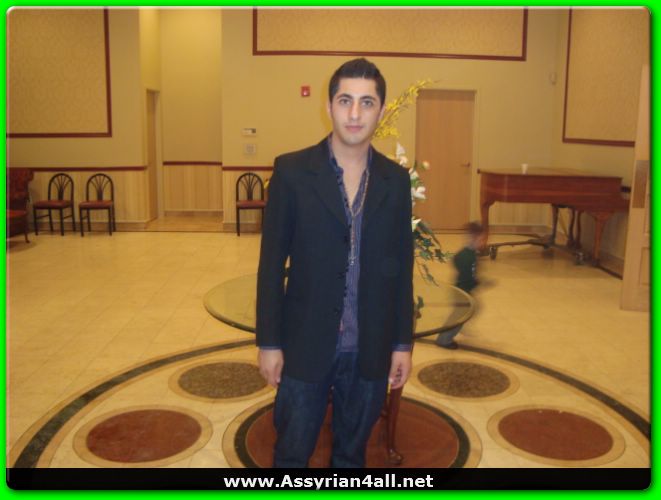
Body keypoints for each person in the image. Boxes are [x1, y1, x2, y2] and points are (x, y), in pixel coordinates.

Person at [256, 58, 414, 468]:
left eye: (367, 102)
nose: (355, 113)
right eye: (345, 100)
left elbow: (402, 269)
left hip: (370, 348)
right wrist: (269, 343)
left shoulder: (395, 181)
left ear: (381, 110)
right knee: (291, 455)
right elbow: (270, 266)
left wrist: (402, 344)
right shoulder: (292, 172)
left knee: (351, 457)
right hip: (304, 344)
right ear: (328, 106)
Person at [435, 222, 485, 349]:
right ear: (473, 239)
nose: (482, 243)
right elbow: (468, 277)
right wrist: (477, 282)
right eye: (481, 240)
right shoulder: (468, 257)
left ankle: (453, 330)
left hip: (461, 290)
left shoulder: (467, 253)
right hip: (463, 292)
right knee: (459, 316)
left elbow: (455, 259)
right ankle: (443, 340)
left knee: (472, 309)